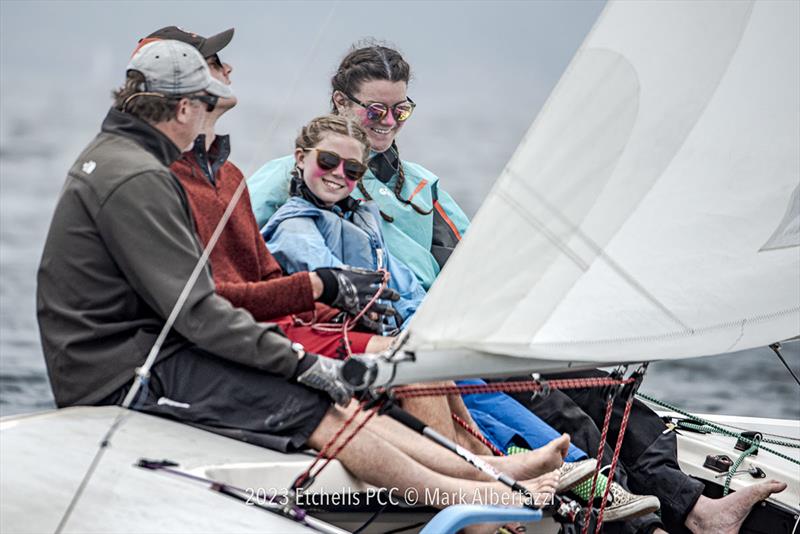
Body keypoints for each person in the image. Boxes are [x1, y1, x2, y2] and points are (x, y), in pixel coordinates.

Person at [35, 36, 579, 532]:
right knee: (312, 405)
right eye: (205, 103)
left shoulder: (128, 162)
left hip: (150, 349)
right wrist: (299, 358)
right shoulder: (138, 177)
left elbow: (200, 302)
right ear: (182, 108)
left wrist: (308, 327)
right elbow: (198, 310)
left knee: (338, 399)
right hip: (126, 371)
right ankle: (475, 493)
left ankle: (488, 471)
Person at [248, 43, 468, 291]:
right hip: (343, 314)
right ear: (341, 101)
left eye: (401, 110)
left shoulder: (424, 185)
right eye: (376, 110)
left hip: (423, 318)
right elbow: (233, 247)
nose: (388, 121)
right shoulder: (290, 173)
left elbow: (476, 258)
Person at [261, 114, 426, 330]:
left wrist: (414, 330)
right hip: (333, 337)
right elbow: (336, 281)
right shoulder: (292, 226)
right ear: (301, 158)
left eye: (352, 169)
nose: (339, 173)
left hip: (389, 339)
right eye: (328, 160)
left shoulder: (363, 222)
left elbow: (409, 292)